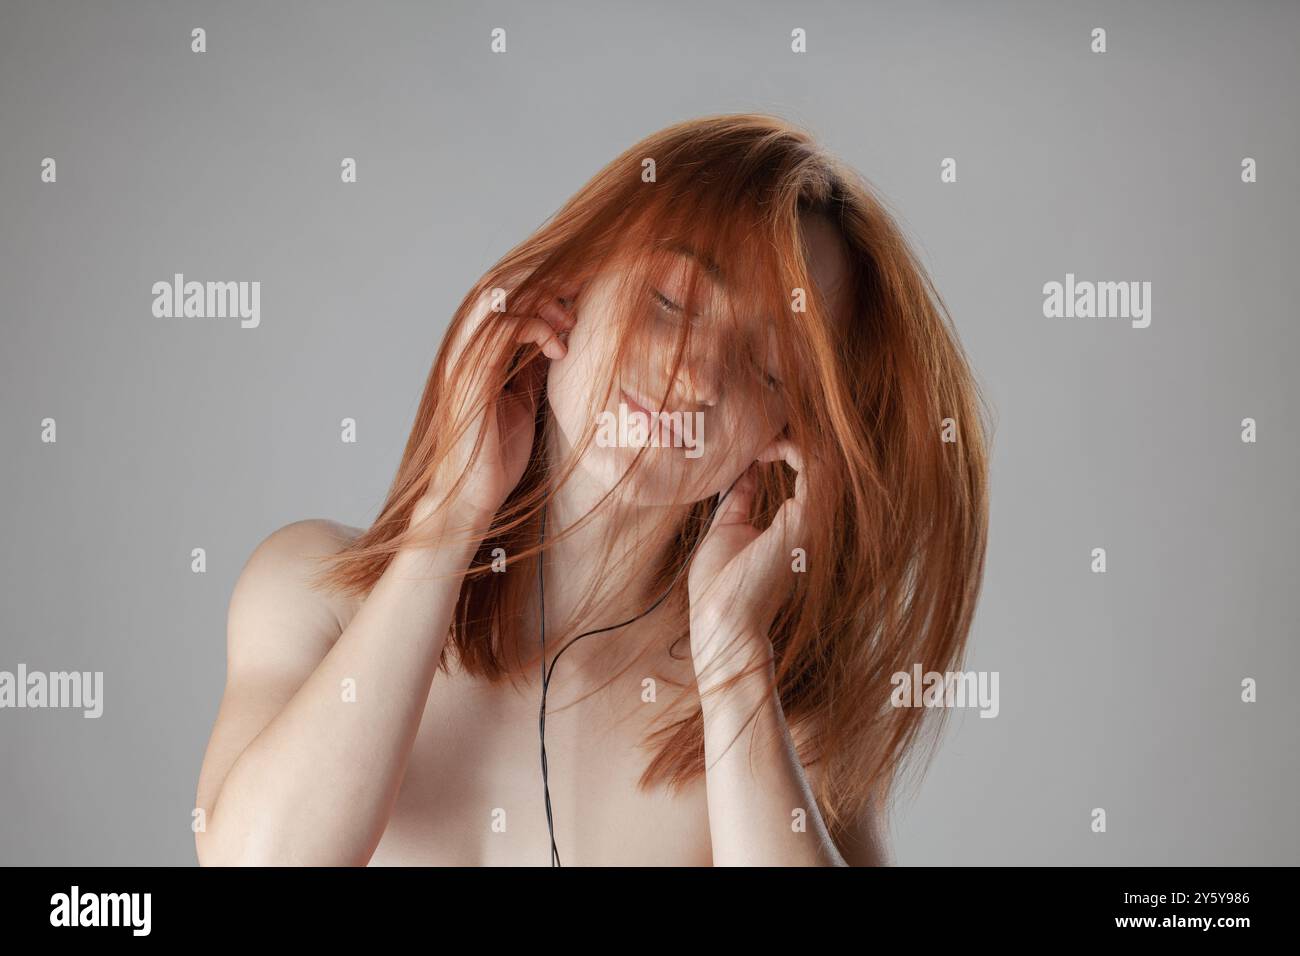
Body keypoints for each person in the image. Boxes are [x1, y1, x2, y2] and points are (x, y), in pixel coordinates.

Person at [194, 113, 991, 866]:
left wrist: (734, 658)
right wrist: (451, 514)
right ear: (566, 289)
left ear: (787, 433)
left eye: (770, 364)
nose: (695, 375)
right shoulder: (311, 593)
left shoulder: (785, 726)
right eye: (671, 299)